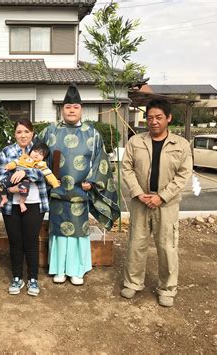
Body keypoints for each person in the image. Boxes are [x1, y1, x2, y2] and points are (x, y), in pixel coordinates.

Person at [38, 83, 119, 286]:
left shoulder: (92, 134)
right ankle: (58, 269)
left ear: (81, 108)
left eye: (75, 107)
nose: (71, 110)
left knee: (77, 232)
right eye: (67, 107)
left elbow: (101, 161)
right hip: (56, 192)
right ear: (62, 109)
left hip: (79, 194)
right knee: (57, 232)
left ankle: (76, 270)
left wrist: (92, 182)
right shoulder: (49, 132)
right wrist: (46, 177)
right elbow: (36, 155)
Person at [120, 98, 193, 308]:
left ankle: (167, 288)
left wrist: (162, 196)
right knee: (136, 243)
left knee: (167, 246)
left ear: (168, 118)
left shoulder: (181, 145)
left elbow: (183, 174)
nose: (153, 122)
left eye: (159, 117)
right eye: (150, 117)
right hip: (140, 201)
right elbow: (127, 168)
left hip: (166, 204)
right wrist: (137, 193)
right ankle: (133, 283)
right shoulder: (136, 142)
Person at [0, 119, 49, 296]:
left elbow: (44, 172)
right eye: (19, 132)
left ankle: (33, 278)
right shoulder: (7, 151)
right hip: (12, 204)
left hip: (35, 203)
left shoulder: (40, 150)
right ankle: (17, 277)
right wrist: (12, 185)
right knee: (15, 242)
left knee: (31, 242)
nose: (23, 135)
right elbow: (1, 177)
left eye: (26, 131)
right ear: (15, 134)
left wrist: (25, 171)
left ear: (32, 133)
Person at [0, 141, 60, 213]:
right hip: (14, 177)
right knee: (0, 184)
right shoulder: (24, 158)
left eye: (41, 154)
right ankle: (4, 198)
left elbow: (49, 175)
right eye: (35, 151)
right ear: (31, 151)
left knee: (24, 187)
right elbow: (16, 162)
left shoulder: (41, 164)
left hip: (25, 180)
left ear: (43, 158)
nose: (37, 155)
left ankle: (22, 202)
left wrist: (55, 183)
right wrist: (9, 166)